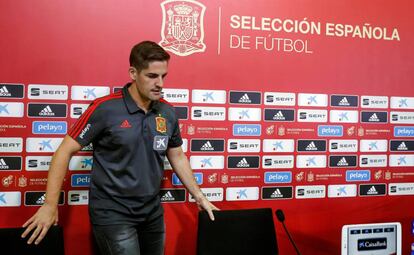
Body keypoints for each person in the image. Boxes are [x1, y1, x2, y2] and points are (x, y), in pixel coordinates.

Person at [22, 40, 218, 255]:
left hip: (152, 213)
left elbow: (177, 155)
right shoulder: (105, 108)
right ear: (133, 73)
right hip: (113, 214)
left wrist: (200, 197)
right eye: (152, 76)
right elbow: (64, 151)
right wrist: (50, 205)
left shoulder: (168, 111)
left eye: (164, 76)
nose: (160, 83)